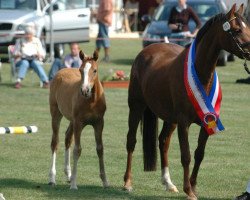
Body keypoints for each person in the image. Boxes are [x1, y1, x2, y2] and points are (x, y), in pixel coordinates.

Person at [13, 24, 49, 89]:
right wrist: (20, 55)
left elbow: (42, 54)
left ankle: (45, 82)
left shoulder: (37, 41)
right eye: (26, 34)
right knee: (25, 62)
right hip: (21, 60)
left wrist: (38, 55)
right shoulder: (20, 41)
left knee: (36, 63)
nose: (28, 36)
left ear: (33, 34)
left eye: (29, 34)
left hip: (33, 60)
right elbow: (15, 54)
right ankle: (18, 82)